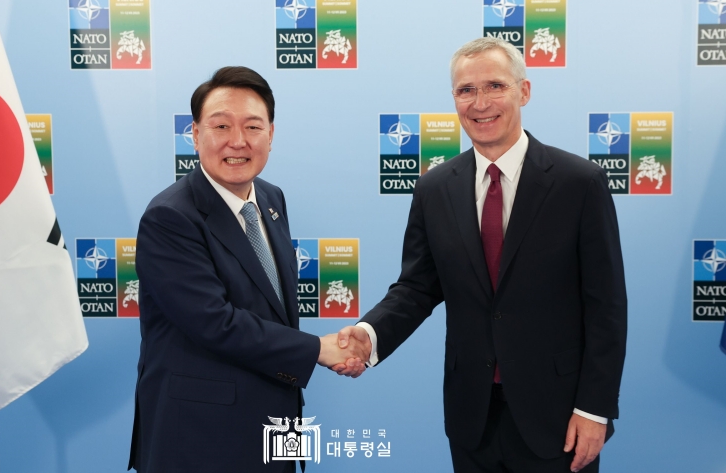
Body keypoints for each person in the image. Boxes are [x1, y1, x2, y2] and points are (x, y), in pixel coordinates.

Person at [336, 38, 627, 472]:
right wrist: (370, 334)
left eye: (495, 86)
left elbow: (606, 307)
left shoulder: (579, 183)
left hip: (559, 413)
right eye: (465, 90)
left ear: (523, 92)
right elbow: (417, 286)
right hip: (472, 414)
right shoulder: (434, 188)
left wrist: (595, 409)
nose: (480, 103)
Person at [128, 66, 366, 472]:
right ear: (195, 134)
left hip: (275, 429)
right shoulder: (170, 217)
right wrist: (318, 350)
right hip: (200, 440)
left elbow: (270, 307)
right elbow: (214, 323)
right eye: (220, 126)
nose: (237, 141)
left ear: (270, 135)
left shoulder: (271, 199)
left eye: (252, 127)